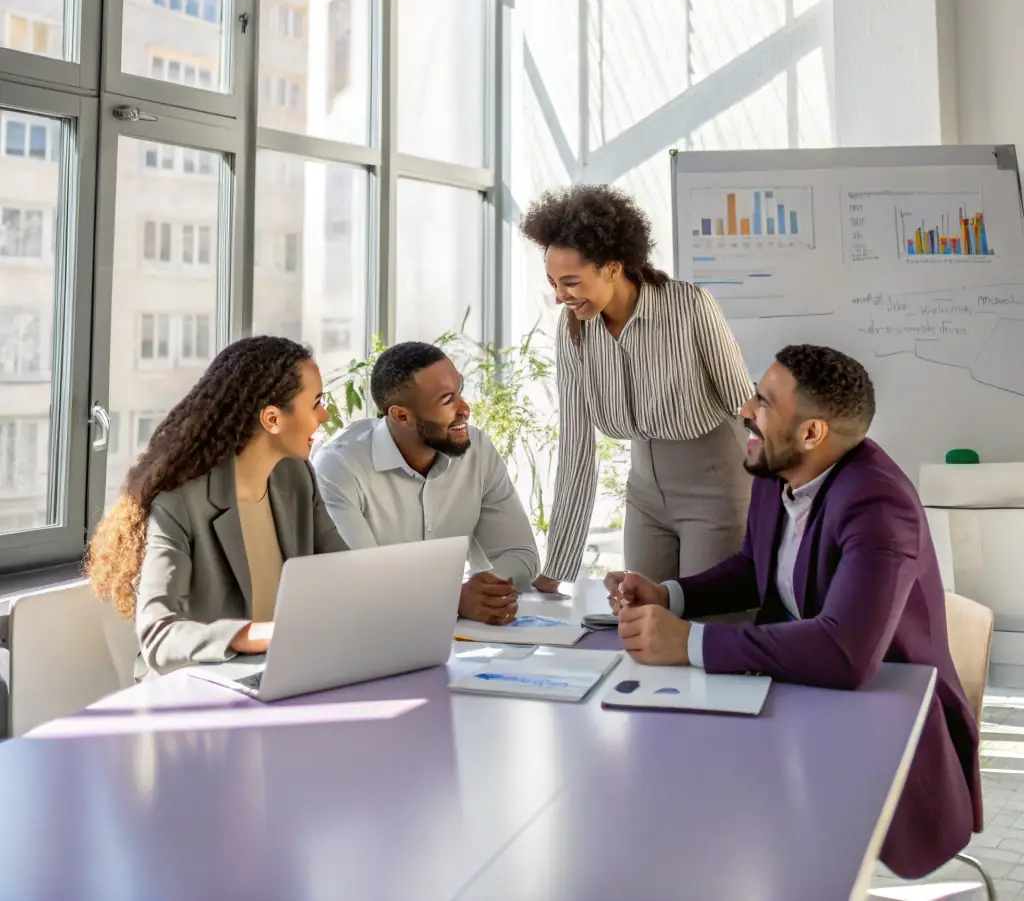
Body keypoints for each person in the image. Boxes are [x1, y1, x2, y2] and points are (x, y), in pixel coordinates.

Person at [608, 344, 982, 880]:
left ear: (811, 434)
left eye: (762, 401)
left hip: (880, 724)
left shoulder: (879, 506)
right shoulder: (776, 472)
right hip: (796, 694)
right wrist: (671, 596)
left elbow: (845, 652)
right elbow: (754, 567)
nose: (743, 410)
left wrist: (689, 642)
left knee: (731, 820)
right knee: (677, 781)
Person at [520, 184, 753, 592]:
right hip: (645, 494)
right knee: (641, 618)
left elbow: (748, 408)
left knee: (709, 626)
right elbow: (576, 443)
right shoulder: (574, 329)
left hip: (716, 489)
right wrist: (556, 569)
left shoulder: (690, 306)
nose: (560, 296)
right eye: (554, 282)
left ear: (612, 266)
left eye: (571, 282)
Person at [87, 335, 346, 674]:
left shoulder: (297, 478)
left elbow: (344, 573)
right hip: (200, 686)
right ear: (272, 419)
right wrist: (253, 635)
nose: (324, 415)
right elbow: (158, 634)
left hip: (281, 673)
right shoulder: (179, 504)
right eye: (315, 403)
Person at [313, 342, 540, 625]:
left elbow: (521, 556)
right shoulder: (339, 466)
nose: (465, 408)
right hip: (371, 635)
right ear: (401, 416)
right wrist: (453, 598)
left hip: (459, 638)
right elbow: (361, 583)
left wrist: (484, 590)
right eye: (447, 400)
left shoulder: (477, 448)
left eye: (460, 392)